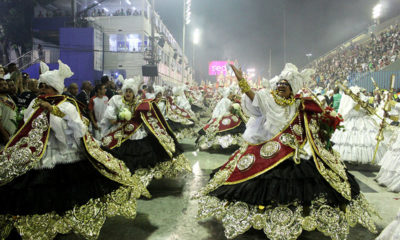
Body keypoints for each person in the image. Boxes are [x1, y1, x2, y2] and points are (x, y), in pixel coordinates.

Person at [196, 63, 377, 240]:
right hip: (267, 153)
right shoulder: (268, 99)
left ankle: (296, 216)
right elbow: (252, 96)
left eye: (285, 85)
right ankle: (261, 215)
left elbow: (311, 126)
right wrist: (241, 81)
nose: (281, 86)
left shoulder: (300, 105)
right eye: (280, 84)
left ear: (292, 89)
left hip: (293, 154)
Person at [0, 60, 148, 240]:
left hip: (65, 154)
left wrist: (53, 111)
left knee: (66, 192)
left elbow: (75, 130)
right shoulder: (34, 103)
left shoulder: (67, 105)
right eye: (41, 86)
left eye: (45, 86)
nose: (41, 89)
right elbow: (28, 125)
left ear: (55, 88)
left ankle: (64, 224)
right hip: (42, 156)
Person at [100, 76, 190, 187]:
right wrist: (121, 118)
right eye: (126, 91)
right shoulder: (116, 100)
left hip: (136, 133)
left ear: (134, 93)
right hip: (120, 132)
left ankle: (139, 178)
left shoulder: (139, 103)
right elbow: (111, 119)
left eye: (130, 91)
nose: (128, 93)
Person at [0, 78, 16, 146]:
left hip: (13, 133)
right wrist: (5, 135)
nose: (4, 86)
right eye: (0, 85)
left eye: (5, 84)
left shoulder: (9, 97)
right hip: (4, 136)